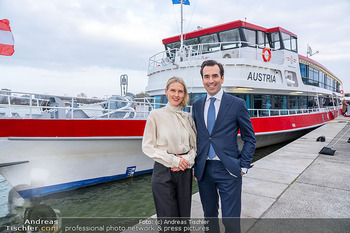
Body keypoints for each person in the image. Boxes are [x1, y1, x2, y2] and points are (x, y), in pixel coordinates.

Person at [192, 60, 256, 233]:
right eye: (207, 76)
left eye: (214, 76)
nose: (211, 80)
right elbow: (197, 137)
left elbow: (250, 138)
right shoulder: (197, 105)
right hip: (204, 170)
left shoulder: (236, 104)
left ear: (222, 78)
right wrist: (195, 165)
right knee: (209, 218)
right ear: (202, 79)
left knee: (231, 220)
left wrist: (243, 166)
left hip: (228, 170)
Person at [142, 76, 197, 231]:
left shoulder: (188, 118)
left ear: (184, 94)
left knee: (184, 220)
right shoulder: (155, 115)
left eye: (180, 91)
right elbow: (147, 147)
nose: (176, 94)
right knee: (169, 223)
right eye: (173, 90)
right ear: (166, 92)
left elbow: (194, 146)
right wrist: (174, 161)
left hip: (185, 171)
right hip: (163, 171)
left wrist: (186, 160)